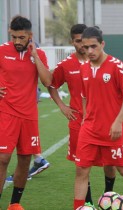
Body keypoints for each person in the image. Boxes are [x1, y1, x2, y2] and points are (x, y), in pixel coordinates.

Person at [73, 26, 123, 210]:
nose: (89, 51)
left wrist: (117, 122)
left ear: (102, 44)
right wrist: (85, 118)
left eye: (93, 46)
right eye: (86, 47)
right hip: (89, 129)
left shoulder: (117, 66)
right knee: (82, 170)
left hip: (112, 130)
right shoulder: (83, 68)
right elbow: (84, 96)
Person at [48, 24, 116, 206]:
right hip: (79, 123)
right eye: (78, 42)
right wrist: (62, 106)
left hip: (103, 122)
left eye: (84, 42)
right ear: (73, 42)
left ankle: (108, 197)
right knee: (82, 167)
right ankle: (88, 203)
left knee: (110, 163)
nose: (82, 47)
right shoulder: (66, 65)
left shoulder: (104, 62)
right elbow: (51, 85)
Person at [0, 15, 52, 210]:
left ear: (30, 35)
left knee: (25, 159)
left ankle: (14, 204)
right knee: (3, 158)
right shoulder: (2, 51)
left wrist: (35, 55)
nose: (17, 42)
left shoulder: (39, 55)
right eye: (14, 37)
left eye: (21, 37)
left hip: (29, 116)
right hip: (6, 112)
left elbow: (48, 81)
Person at [6, 87, 50, 183]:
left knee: (15, 130)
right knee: (21, 131)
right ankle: (38, 160)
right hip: (25, 93)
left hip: (20, 95)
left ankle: (25, 171)